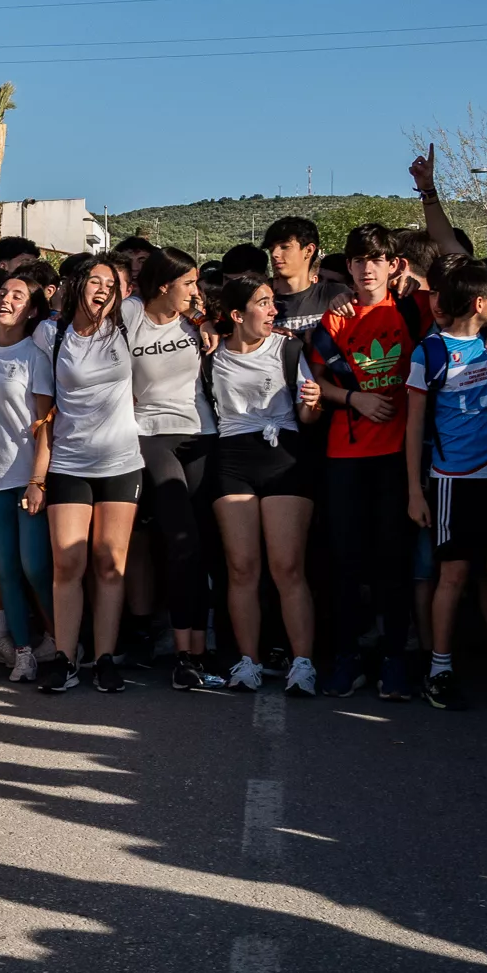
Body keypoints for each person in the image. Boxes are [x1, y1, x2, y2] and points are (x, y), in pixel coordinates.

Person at [401, 263, 487, 711]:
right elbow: (414, 425)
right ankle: (440, 669)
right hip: (453, 481)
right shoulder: (430, 352)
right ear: (480, 302)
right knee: (452, 575)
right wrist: (416, 492)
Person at [306, 223, 427, 699]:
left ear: (393, 264)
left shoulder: (414, 308)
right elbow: (313, 386)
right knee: (347, 564)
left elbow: (472, 302)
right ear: (349, 267)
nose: (367, 268)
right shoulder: (336, 318)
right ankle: (348, 657)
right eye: (359, 260)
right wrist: (353, 399)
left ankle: (395, 658)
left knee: (393, 563)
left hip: (399, 454)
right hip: (345, 455)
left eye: (377, 259)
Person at [25, 254, 144, 693]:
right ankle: (65, 657)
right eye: (95, 282)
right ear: (77, 286)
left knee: (110, 565)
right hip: (69, 463)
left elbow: (174, 305)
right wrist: (38, 478)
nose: (103, 291)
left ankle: (105, 658)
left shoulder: (130, 324)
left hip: (121, 462)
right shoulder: (50, 335)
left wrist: (205, 322)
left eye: (111, 285)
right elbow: (44, 416)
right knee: (68, 563)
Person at [203, 275, 321, 695]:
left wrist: (311, 405)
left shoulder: (288, 349)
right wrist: (203, 324)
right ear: (237, 315)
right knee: (241, 568)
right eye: (264, 303)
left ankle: (303, 663)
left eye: (273, 303)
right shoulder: (210, 355)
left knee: (287, 567)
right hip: (232, 457)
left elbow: (309, 416)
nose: (274, 311)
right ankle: (247, 663)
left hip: (284, 456)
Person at [124, 247, 217, 685]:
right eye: (188, 283)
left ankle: (198, 651)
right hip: (149, 433)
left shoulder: (196, 319)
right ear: (164, 285)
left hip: (201, 433)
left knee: (197, 544)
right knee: (180, 539)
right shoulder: (130, 314)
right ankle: (184, 655)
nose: (195, 291)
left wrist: (210, 319)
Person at [0, 265, 54, 682]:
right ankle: (23, 651)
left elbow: (45, 425)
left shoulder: (35, 357)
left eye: (18, 296)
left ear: (33, 310)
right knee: (5, 570)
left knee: (35, 568)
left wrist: (38, 481)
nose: (6, 299)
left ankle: (60, 638)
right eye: (2, 292)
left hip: (27, 479)